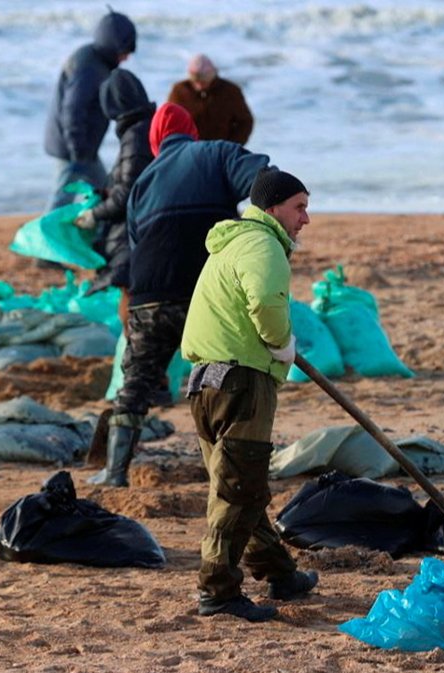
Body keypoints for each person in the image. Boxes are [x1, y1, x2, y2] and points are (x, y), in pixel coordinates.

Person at [86, 103, 269, 488]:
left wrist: (127, 296)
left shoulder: (142, 184)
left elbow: (133, 248)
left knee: (134, 383)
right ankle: (230, 464)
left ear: (154, 142)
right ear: (192, 132)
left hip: (147, 297)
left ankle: (116, 471)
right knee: (223, 374)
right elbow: (265, 180)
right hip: (204, 296)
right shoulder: (216, 153)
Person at [180, 167, 317, 621]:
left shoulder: (232, 244)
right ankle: (217, 591)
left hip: (205, 379)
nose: (305, 219)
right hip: (242, 380)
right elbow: (264, 301)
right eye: (299, 207)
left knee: (242, 482)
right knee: (238, 489)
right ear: (273, 208)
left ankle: (280, 573)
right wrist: (281, 343)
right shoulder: (264, 245)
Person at [43, 10, 137, 211]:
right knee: (62, 200)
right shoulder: (89, 67)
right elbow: (72, 111)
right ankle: (44, 240)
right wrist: (77, 153)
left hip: (83, 149)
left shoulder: (96, 61)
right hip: (72, 149)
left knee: (103, 191)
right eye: (125, 51)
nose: (127, 57)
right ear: (114, 46)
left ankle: (98, 236)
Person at [72, 68, 155, 292]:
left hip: (134, 234)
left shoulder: (135, 137)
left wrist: (94, 214)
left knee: (126, 291)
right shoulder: (146, 127)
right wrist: (105, 193)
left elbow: (128, 192)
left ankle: (127, 329)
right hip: (147, 226)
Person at [167, 54, 254, 145]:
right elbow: (168, 122)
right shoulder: (179, 91)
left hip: (221, 152)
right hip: (188, 150)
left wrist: (232, 146)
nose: (199, 86)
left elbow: (245, 121)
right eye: (196, 82)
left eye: (203, 82)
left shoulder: (230, 91)